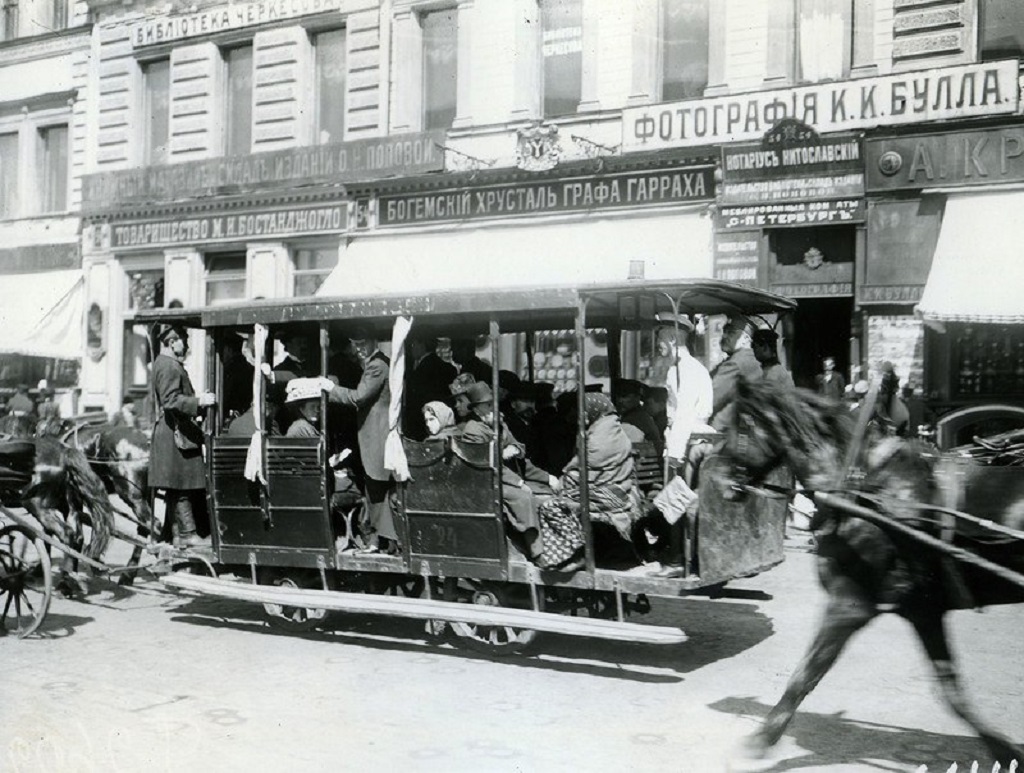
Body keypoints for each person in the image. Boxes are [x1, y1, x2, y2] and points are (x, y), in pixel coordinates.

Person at [316, 329, 398, 554]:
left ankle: (386, 541)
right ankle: (379, 541)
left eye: (363, 343)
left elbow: (358, 397)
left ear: (373, 341)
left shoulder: (376, 366)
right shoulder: (377, 363)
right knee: (375, 489)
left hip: (376, 435)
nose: (359, 348)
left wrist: (331, 388)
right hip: (374, 434)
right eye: (355, 344)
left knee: (377, 488)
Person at [460, 381, 544, 562]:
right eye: (488, 405)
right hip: (484, 482)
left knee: (542, 495)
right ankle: (536, 551)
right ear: (477, 410)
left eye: (493, 404)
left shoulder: (499, 424)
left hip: (501, 477)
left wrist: (514, 449)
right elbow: (487, 463)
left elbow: (519, 446)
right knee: (523, 497)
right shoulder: (473, 430)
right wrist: (518, 482)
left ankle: (540, 545)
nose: (493, 409)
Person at [149, 324, 217, 548]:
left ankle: (179, 535)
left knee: (179, 485)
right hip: (175, 435)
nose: (186, 345)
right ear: (172, 342)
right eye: (184, 340)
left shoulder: (166, 364)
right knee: (181, 485)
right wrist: (199, 402)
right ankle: (187, 534)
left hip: (175, 432)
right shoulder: (169, 366)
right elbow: (170, 401)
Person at [551, 392, 641, 552]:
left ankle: (572, 552)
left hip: (609, 494)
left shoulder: (600, 437)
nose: (582, 416)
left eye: (584, 411)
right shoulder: (612, 429)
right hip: (622, 489)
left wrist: (565, 477)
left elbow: (588, 469)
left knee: (551, 505)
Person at [657, 316, 712, 472]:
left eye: (660, 338)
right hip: (684, 442)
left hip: (689, 446)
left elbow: (685, 413)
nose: (657, 343)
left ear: (672, 339)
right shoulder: (678, 367)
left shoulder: (687, 369)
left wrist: (674, 453)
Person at [613, 378, 663, 456]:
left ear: (637, 398)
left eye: (625, 396)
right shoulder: (640, 415)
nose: (620, 400)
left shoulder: (634, 420)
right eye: (618, 396)